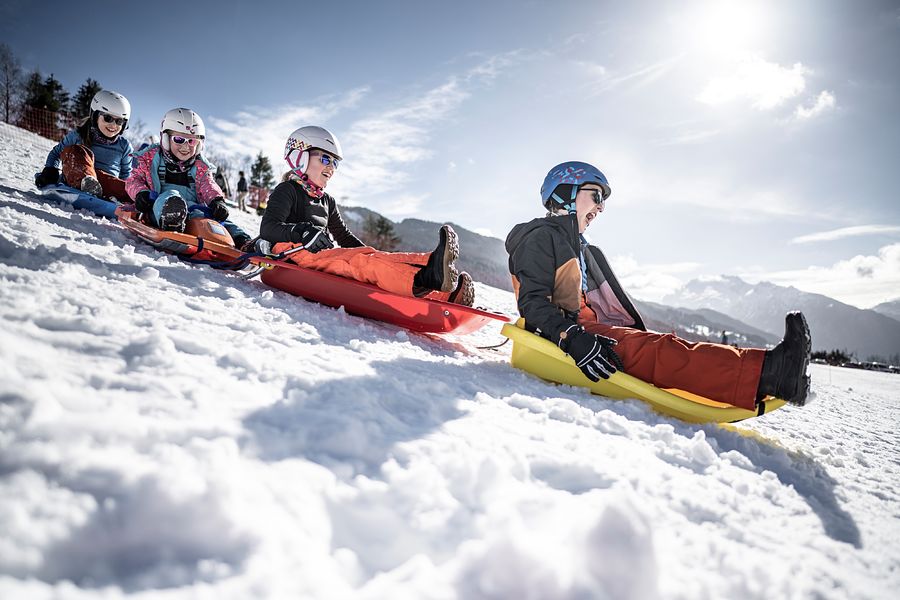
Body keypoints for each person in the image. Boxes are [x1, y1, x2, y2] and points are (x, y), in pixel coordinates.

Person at [505, 161, 811, 409]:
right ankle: (771, 374)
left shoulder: (577, 246)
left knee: (661, 344)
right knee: (660, 351)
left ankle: (762, 372)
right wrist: (571, 337)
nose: (601, 208)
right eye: (596, 196)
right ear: (565, 194)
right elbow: (532, 303)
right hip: (569, 338)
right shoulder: (541, 237)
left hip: (585, 333)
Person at [259, 125, 474, 306]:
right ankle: (427, 276)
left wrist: (372, 253)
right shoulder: (287, 190)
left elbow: (344, 237)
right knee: (359, 264)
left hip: (320, 257)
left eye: (335, 163)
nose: (331, 168)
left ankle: (444, 290)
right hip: (293, 254)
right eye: (325, 159)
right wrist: (304, 232)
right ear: (300, 157)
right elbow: (268, 228)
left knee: (367, 259)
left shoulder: (327, 201)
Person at [126, 108, 252, 249]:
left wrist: (217, 200)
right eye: (179, 139)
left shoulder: (200, 167)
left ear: (199, 144)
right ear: (166, 139)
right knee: (171, 196)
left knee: (218, 220)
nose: (186, 146)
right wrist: (141, 193)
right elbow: (134, 180)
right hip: (159, 207)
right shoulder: (150, 159)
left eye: (192, 141)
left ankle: (243, 241)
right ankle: (172, 217)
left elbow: (208, 185)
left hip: (194, 211)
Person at [34, 90, 134, 201]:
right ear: (95, 116)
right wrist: (50, 169)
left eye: (119, 121)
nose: (113, 125)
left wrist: (126, 191)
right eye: (108, 118)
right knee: (76, 150)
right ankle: (88, 184)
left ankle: (137, 200)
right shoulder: (78, 135)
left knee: (128, 188)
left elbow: (126, 174)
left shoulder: (124, 146)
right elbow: (56, 153)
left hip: (106, 185)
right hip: (76, 177)